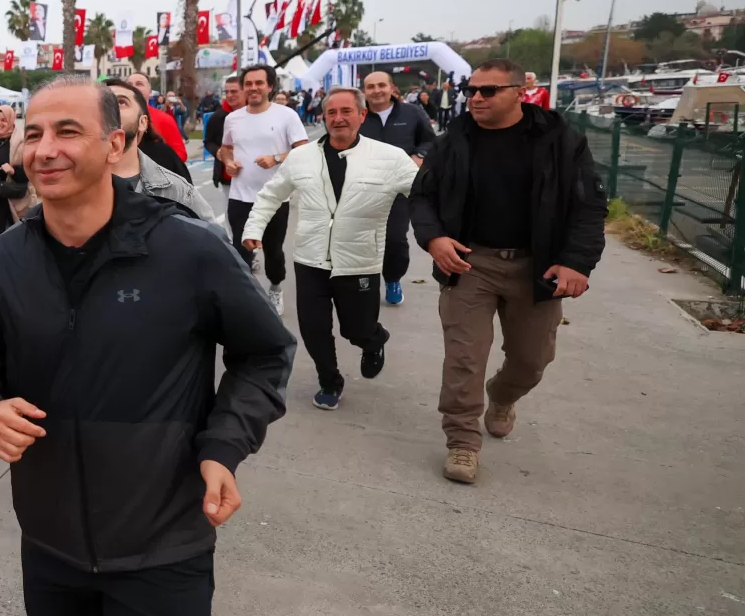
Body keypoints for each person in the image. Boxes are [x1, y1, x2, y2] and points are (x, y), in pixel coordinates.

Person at [0, 74, 294, 616]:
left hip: (163, 528)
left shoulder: (186, 250)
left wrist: (222, 447)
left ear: (116, 142)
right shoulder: (4, 263)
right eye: (32, 132)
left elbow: (266, 354)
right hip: (51, 534)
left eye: (66, 130)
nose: (43, 148)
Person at [411, 59, 605, 485]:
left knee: (532, 360)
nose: (475, 98)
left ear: (520, 91)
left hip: (537, 266)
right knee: (464, 358)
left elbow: (588, 205)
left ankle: (502, 396)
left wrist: (577, 262)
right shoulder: (453, 142)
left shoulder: (560, 141)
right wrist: (434, 239)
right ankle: (462, 442)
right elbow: (421, 197)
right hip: (470, 262)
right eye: (471, 90)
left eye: (488, 91)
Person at [243, 87, 420, 410]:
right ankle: (329, 380)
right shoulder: (301, 157)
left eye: (346, 112)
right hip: (310, 259)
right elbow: (271, 194)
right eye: (331, 113)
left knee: (357, 329)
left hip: (359, 262)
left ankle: (374, 340)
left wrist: (438, 235)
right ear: (323, 117)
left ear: (362, 115)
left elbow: (424, 196)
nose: (338, 119)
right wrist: (253, 229)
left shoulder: (390, 158)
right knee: (313, 328)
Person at [218, 64, 310, 312]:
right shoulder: (233, 118)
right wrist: (228, 162)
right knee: (240, 251)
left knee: (273, 252)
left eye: (259, 83)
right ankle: (247, 297)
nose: (253, 88)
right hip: (240, 196)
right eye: (248, 83)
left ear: (270, 86)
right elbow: (224, 148)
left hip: (275, 198)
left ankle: (275, 288)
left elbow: (304, 150)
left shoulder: (286, 116)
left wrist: (276, 158)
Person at [357, 71, 437, 305]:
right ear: (365, 91)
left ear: (392, 88)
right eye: (370, 87)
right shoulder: (359, 115)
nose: (376, 90)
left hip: (400, 187)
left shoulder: (411, 113)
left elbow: (431, 140)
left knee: (395, 238)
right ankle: (364, 282)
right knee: (362, 237)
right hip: (362, 187)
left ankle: (393, 279)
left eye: (382, 85)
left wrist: (419, 155)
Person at [104, 79, 216, 220]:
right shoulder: (72, 183)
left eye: (121, 102)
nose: (110, 109)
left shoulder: (175, 190)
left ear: (143, 122)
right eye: (104, 103)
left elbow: (211, 236)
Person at [0, 103, 32, 237]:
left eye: (3, 120)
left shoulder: (22, 143)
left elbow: (31, 173)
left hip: (15, 203)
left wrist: (13, 171)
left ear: (11, 120)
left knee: (17, 241)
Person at [128, 72, 189, 166]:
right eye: (129, 84)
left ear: (150, 91)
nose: (134, 87)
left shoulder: (164, 119)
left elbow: (180, 154)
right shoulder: (113, 117)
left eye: (139, 84)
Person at [201, 76, 242, 191]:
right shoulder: (217, 117)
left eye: (234, 91)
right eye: (227, 92)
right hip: (228, 176)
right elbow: (208, 141)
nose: (229, 95)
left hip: (255, 174)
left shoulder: (255, 114)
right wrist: (218, 152)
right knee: (232, 209)